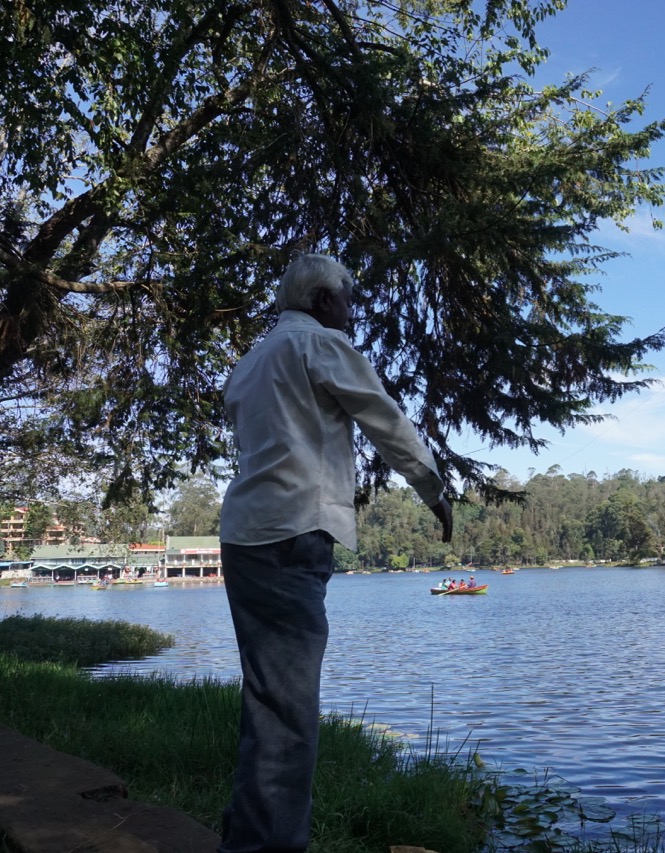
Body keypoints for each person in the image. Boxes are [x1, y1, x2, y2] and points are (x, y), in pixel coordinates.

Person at [217, 253, 453, 853]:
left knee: (268, 701)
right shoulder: (318, 344)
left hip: (243, 537)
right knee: (290, 713)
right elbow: (385, 419)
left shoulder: (249, 364)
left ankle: (246, 841)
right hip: (292, 533)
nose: (351, 309)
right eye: (346, 298)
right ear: (322, 301)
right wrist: (434, 489)